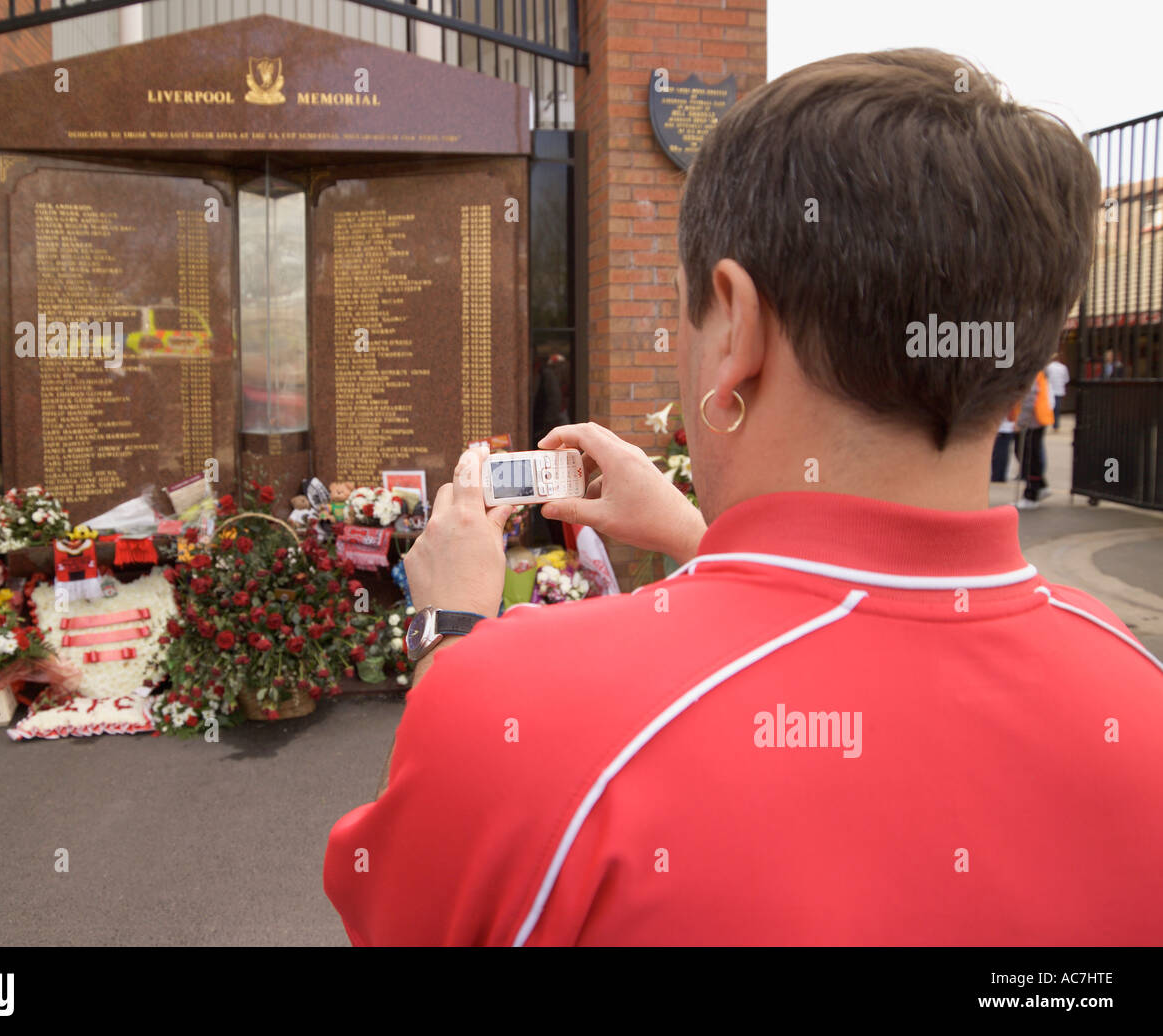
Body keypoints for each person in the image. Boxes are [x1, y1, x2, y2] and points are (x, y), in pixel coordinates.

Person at [323, 49, 1163, 945]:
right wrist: (703, 536)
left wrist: (445, 634)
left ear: (734, 323)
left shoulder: (513, 707)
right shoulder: (1135, 691)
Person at [1014, 369, 1055, 508]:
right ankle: (1041, 486)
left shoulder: (1030, 372)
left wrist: (1021, 422)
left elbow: (1029, 399)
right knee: (1028, 455)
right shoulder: (1034, 371)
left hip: (1032, 421)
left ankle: (1032, 494)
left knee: (1029, 457)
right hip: (1035, 419)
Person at [1045, 354, 1070, 430]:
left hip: (1049, 390)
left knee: (1050, 407)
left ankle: (1047, 422)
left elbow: (1045, 378)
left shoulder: (1048, 367)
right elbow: (1066, 379)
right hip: (1059, 389)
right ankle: (1056, 425)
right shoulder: (1063, 367)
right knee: (1057, 408)